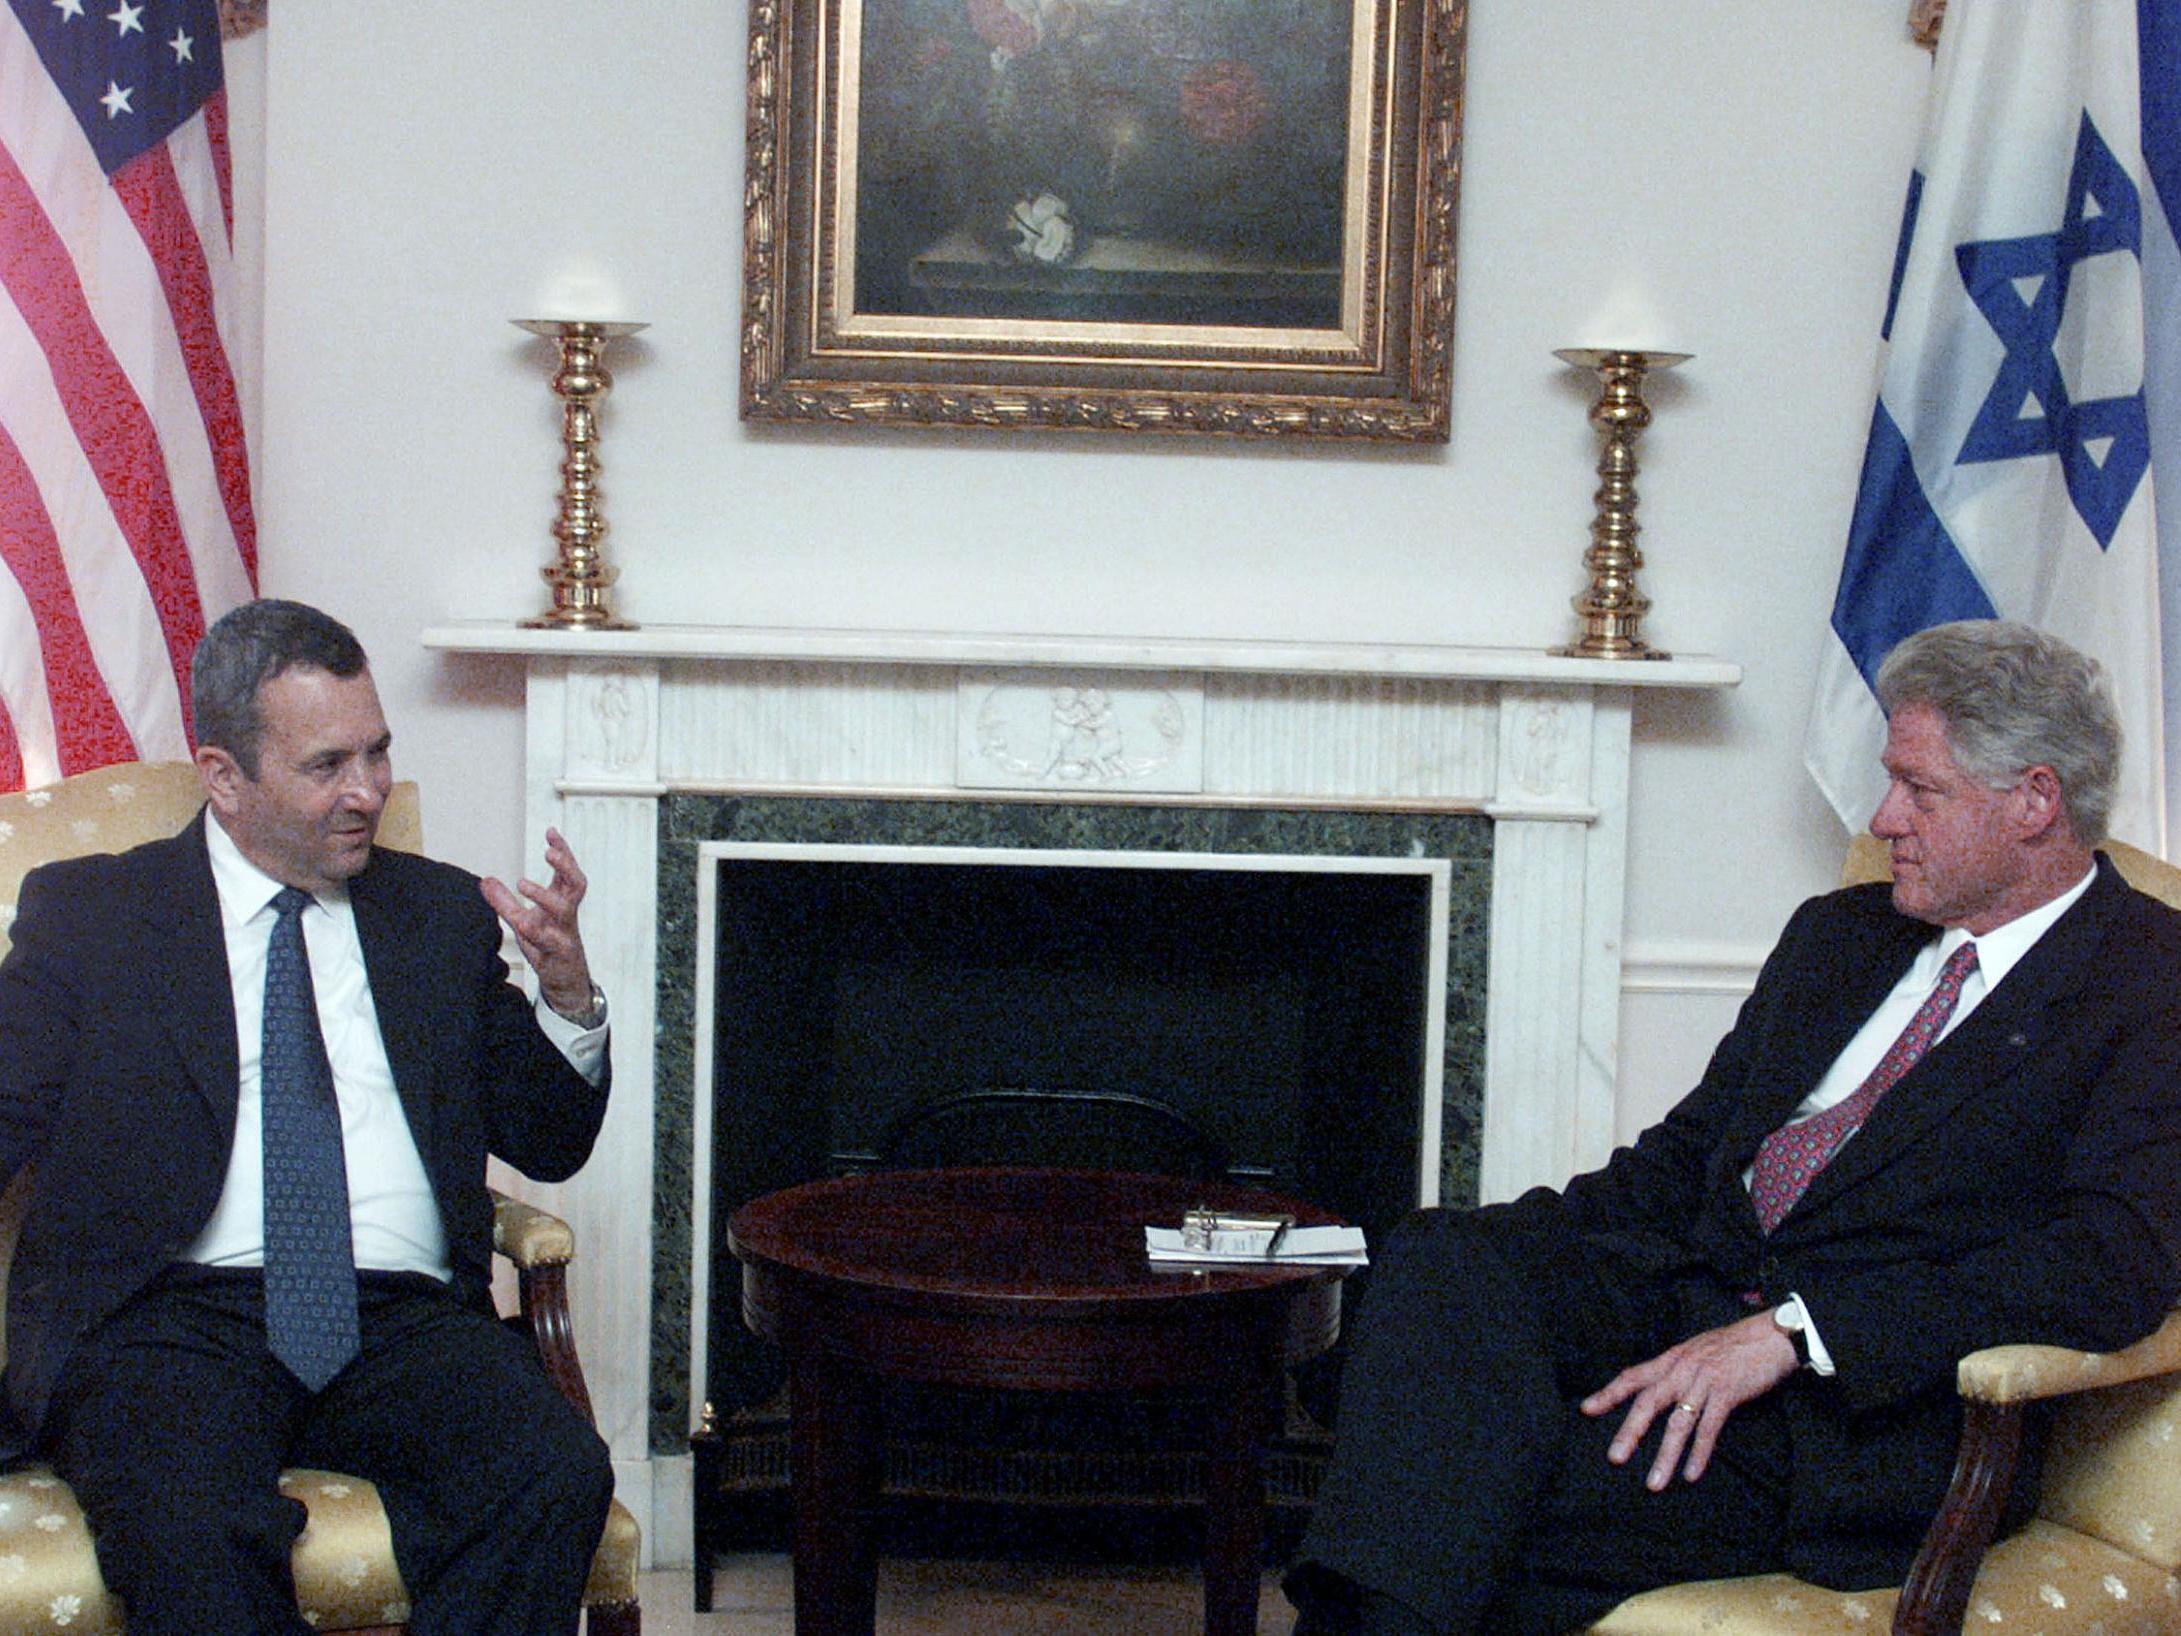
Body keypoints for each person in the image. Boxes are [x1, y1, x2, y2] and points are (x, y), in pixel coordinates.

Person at [1286, 619, 2181, 1635]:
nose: (1884, 818)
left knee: (1460, 1475)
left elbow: (2112, 1261)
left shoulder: (2148, 982)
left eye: (1919, 789)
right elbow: (1681, 1162)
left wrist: (1800, 1335)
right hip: (1683, 1298)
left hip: (1847, 1421)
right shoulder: (1841, 936)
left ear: (2034, 801)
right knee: (1436, 1255)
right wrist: (1497, 1256)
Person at [0, 600, 616, 1635]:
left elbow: (548, 1136)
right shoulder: (96, 917)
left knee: (553, 1473)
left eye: (378, 753)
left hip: (401, 1318)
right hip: (168, 1321)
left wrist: (568, 1002)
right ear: (225, 775)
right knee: (190, 1527)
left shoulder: (436, 914)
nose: (368, 791)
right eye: (327, 765)